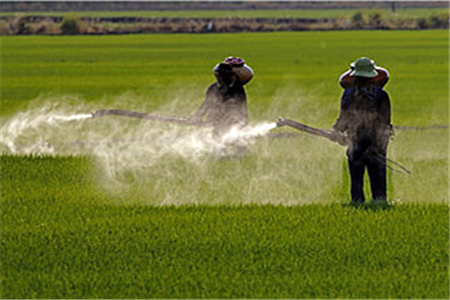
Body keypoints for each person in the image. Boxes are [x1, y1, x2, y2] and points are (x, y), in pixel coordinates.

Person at [332, 57, 394, 203]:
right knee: (376, 176)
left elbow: (343, 118)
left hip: (359, 142)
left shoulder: (348, 94)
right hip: (372, 143)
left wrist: (337, 131)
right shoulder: (381, 95)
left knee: (357, 177)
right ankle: (378, 202)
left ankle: (359, 202)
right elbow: (385, 121)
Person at [188, 56, 253, 155]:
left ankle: (238, 158)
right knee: (218, 144)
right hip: (219, 122)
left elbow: (238, 107)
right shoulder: (214, 88)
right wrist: (197, 116)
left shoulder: (236, 89)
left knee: (237, 144)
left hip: (235, 122)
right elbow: (207, 104)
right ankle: (221, 157)